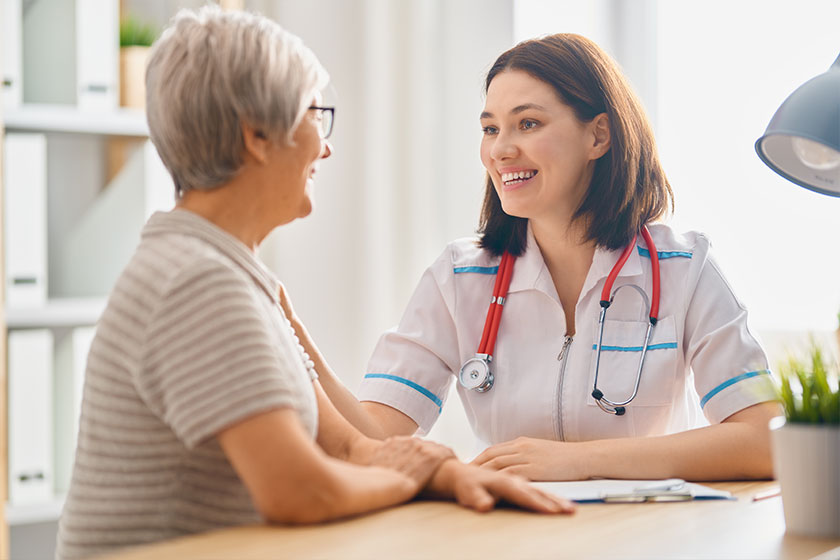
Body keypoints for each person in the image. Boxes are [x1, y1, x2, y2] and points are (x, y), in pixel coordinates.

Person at [54, 9, 573, 560]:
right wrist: (414, 476)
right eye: (313, 115)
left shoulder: (230, 272)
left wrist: (443, 473)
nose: (324, 147)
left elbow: (349, 446)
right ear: (257, 135)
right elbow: (301, 492)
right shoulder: (196, 281)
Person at [311, 33, 782, 482]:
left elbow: (764, 440)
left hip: (643, 536)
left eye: (527, 123)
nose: (501, 149)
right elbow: (366, 439)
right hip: (515, 534)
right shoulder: (459, 278)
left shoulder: (683, 268)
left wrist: (580, 461)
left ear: (599, 136)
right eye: (490, 128)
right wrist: (288, 326)